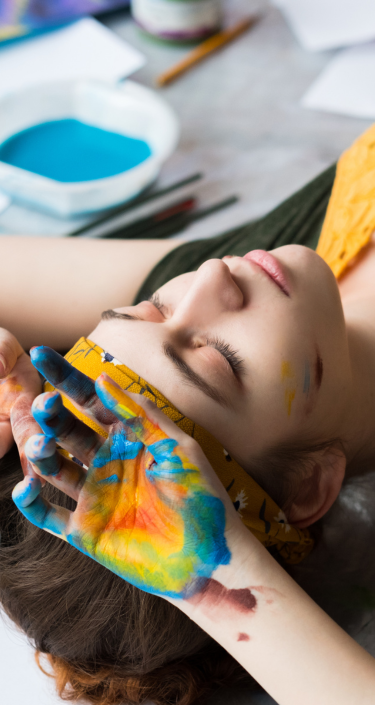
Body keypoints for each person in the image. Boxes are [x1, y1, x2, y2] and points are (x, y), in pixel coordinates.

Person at [1, 124, 375, 704]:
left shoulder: (270, 267)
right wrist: (216, 587)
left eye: (152, 307)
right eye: (221, 360)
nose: (210, 276)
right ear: (308, 486)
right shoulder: (277, 290)